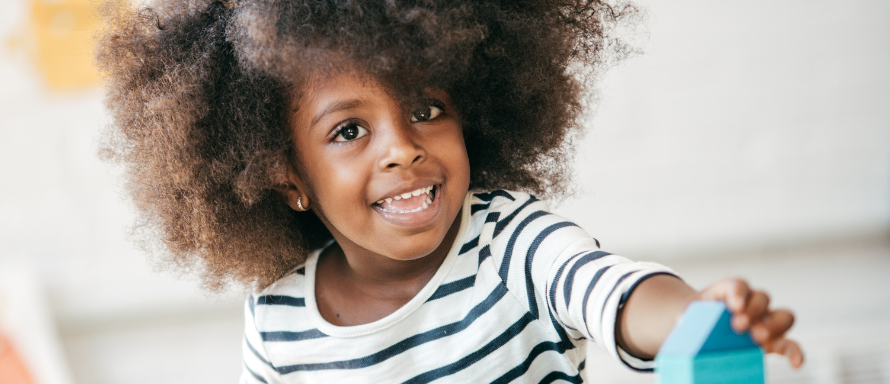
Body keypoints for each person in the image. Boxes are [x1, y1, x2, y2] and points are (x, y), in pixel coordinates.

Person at [95, 0, 804, 382]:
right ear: (286, 178)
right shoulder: (277, 323)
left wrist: (696, 320)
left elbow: (612, 293)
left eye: (426, 109)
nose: (403, 145)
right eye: (348, 132)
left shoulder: (511, 243)